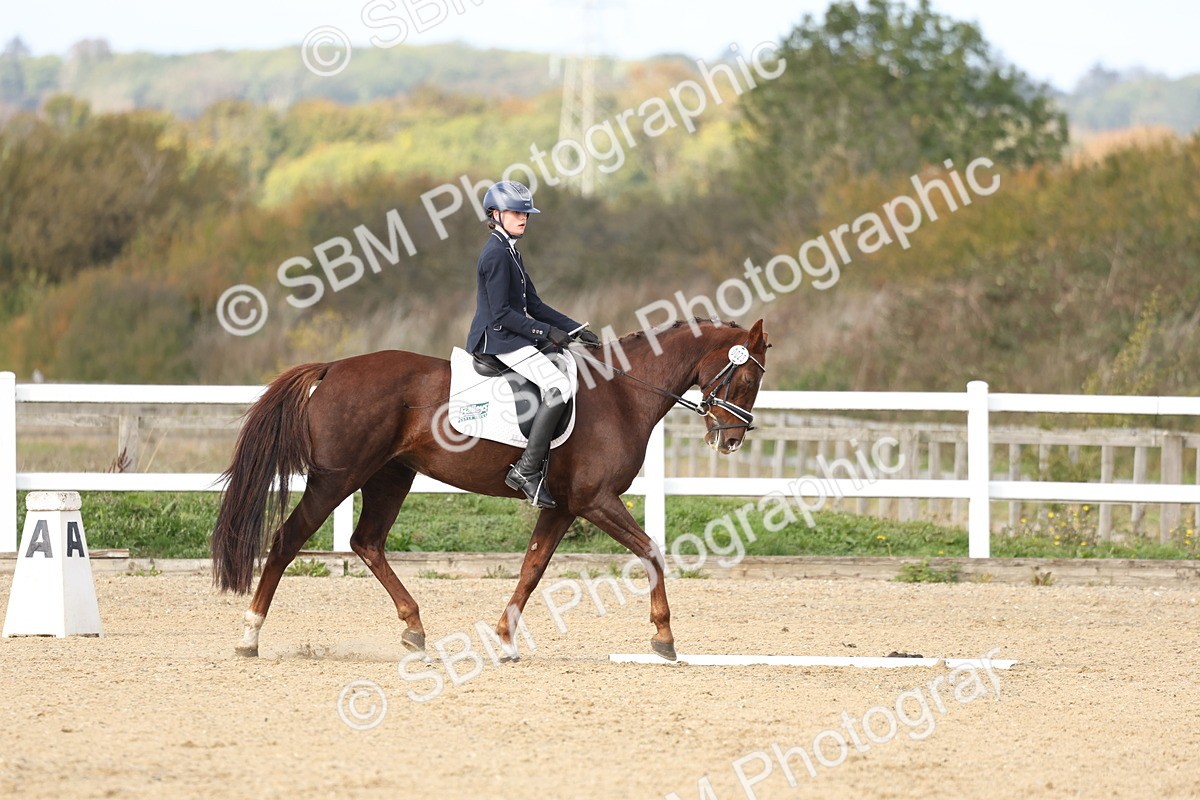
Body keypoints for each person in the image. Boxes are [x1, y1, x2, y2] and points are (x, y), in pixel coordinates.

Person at [465, 180, 600, 509]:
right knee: (558, 385)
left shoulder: (511, 249)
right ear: (495, 214)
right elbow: (501, 314)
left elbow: (534, 305)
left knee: (564, 364)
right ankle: (526, 470)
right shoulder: (495, 254)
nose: (523, 217)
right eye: (515, 212)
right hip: (497, 338)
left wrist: (574, 328)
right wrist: (545, 333)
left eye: (526, 213)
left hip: (511, 334)